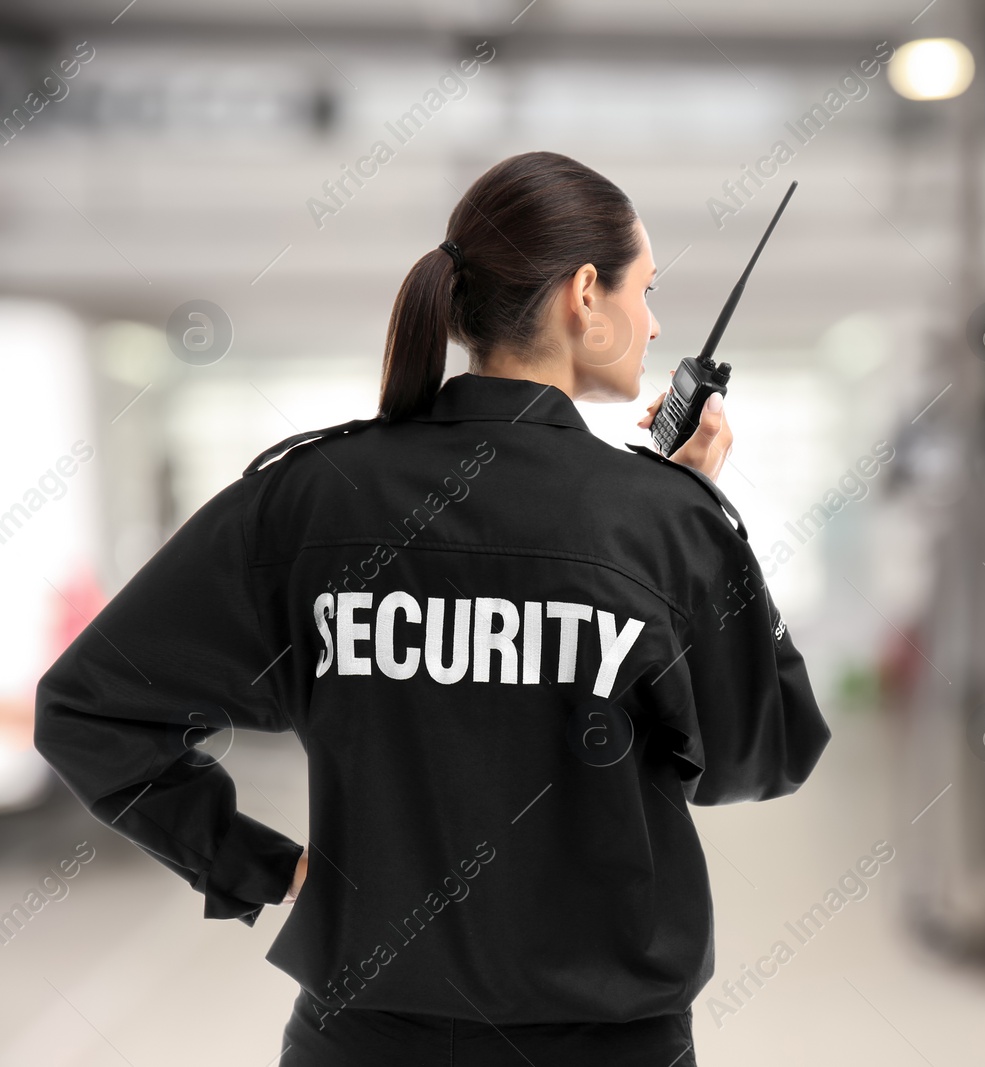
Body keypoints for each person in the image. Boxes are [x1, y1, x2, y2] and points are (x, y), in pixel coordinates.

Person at [33, 151, 831, 1066]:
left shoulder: (309, 497)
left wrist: (263, 866)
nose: (655, 324)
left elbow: (88, 707)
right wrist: (701, 520)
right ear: (583, 294)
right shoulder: (659, 521)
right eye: (647, 290)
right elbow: (761, 757)